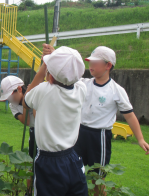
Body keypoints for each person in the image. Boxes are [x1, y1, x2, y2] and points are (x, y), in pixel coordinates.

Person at [43, 44, 149, 196]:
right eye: (89, 62)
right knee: (72, 171)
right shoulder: (83, 83)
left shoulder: (116, 90)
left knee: (98, 179)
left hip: (99, 137)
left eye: (95, 62)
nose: (90, 65)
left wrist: (140, 139)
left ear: (108, 65)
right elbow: (65, 72)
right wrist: (56, 56)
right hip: (78, 133)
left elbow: (129, 115)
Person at [23, 46, 88, 196]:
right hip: (73, 157)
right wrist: (58, 61)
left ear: (50, 76)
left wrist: (43, 68)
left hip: (49, 161)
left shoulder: (44, 91)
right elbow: (70, 76)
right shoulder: (81, 89)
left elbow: (26, 103)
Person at [0, 76, 36, 195]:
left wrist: (32, 96)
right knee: (31, 164)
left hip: (46, 132)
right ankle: (29, 192)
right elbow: (27, 122)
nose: (9, 100)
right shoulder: (13, 105)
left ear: (19, 89)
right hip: (34, 133)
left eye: (10, 96)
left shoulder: (35, 92)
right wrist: (26, 101)